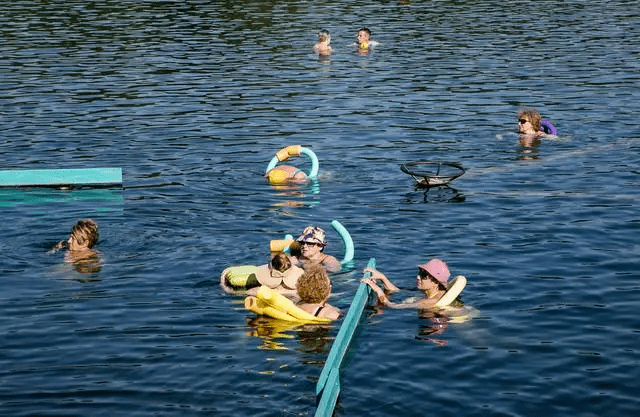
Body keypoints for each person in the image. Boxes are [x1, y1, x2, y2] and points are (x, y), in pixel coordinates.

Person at [361, 258, 457, 309]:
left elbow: (393, 306)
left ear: (436, 282)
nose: (418, 277)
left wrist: (378, 290)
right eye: (420, 272)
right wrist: (383, 278)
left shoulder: (428, 301)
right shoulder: (435, 293)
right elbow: (397, 291)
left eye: (423, 275)